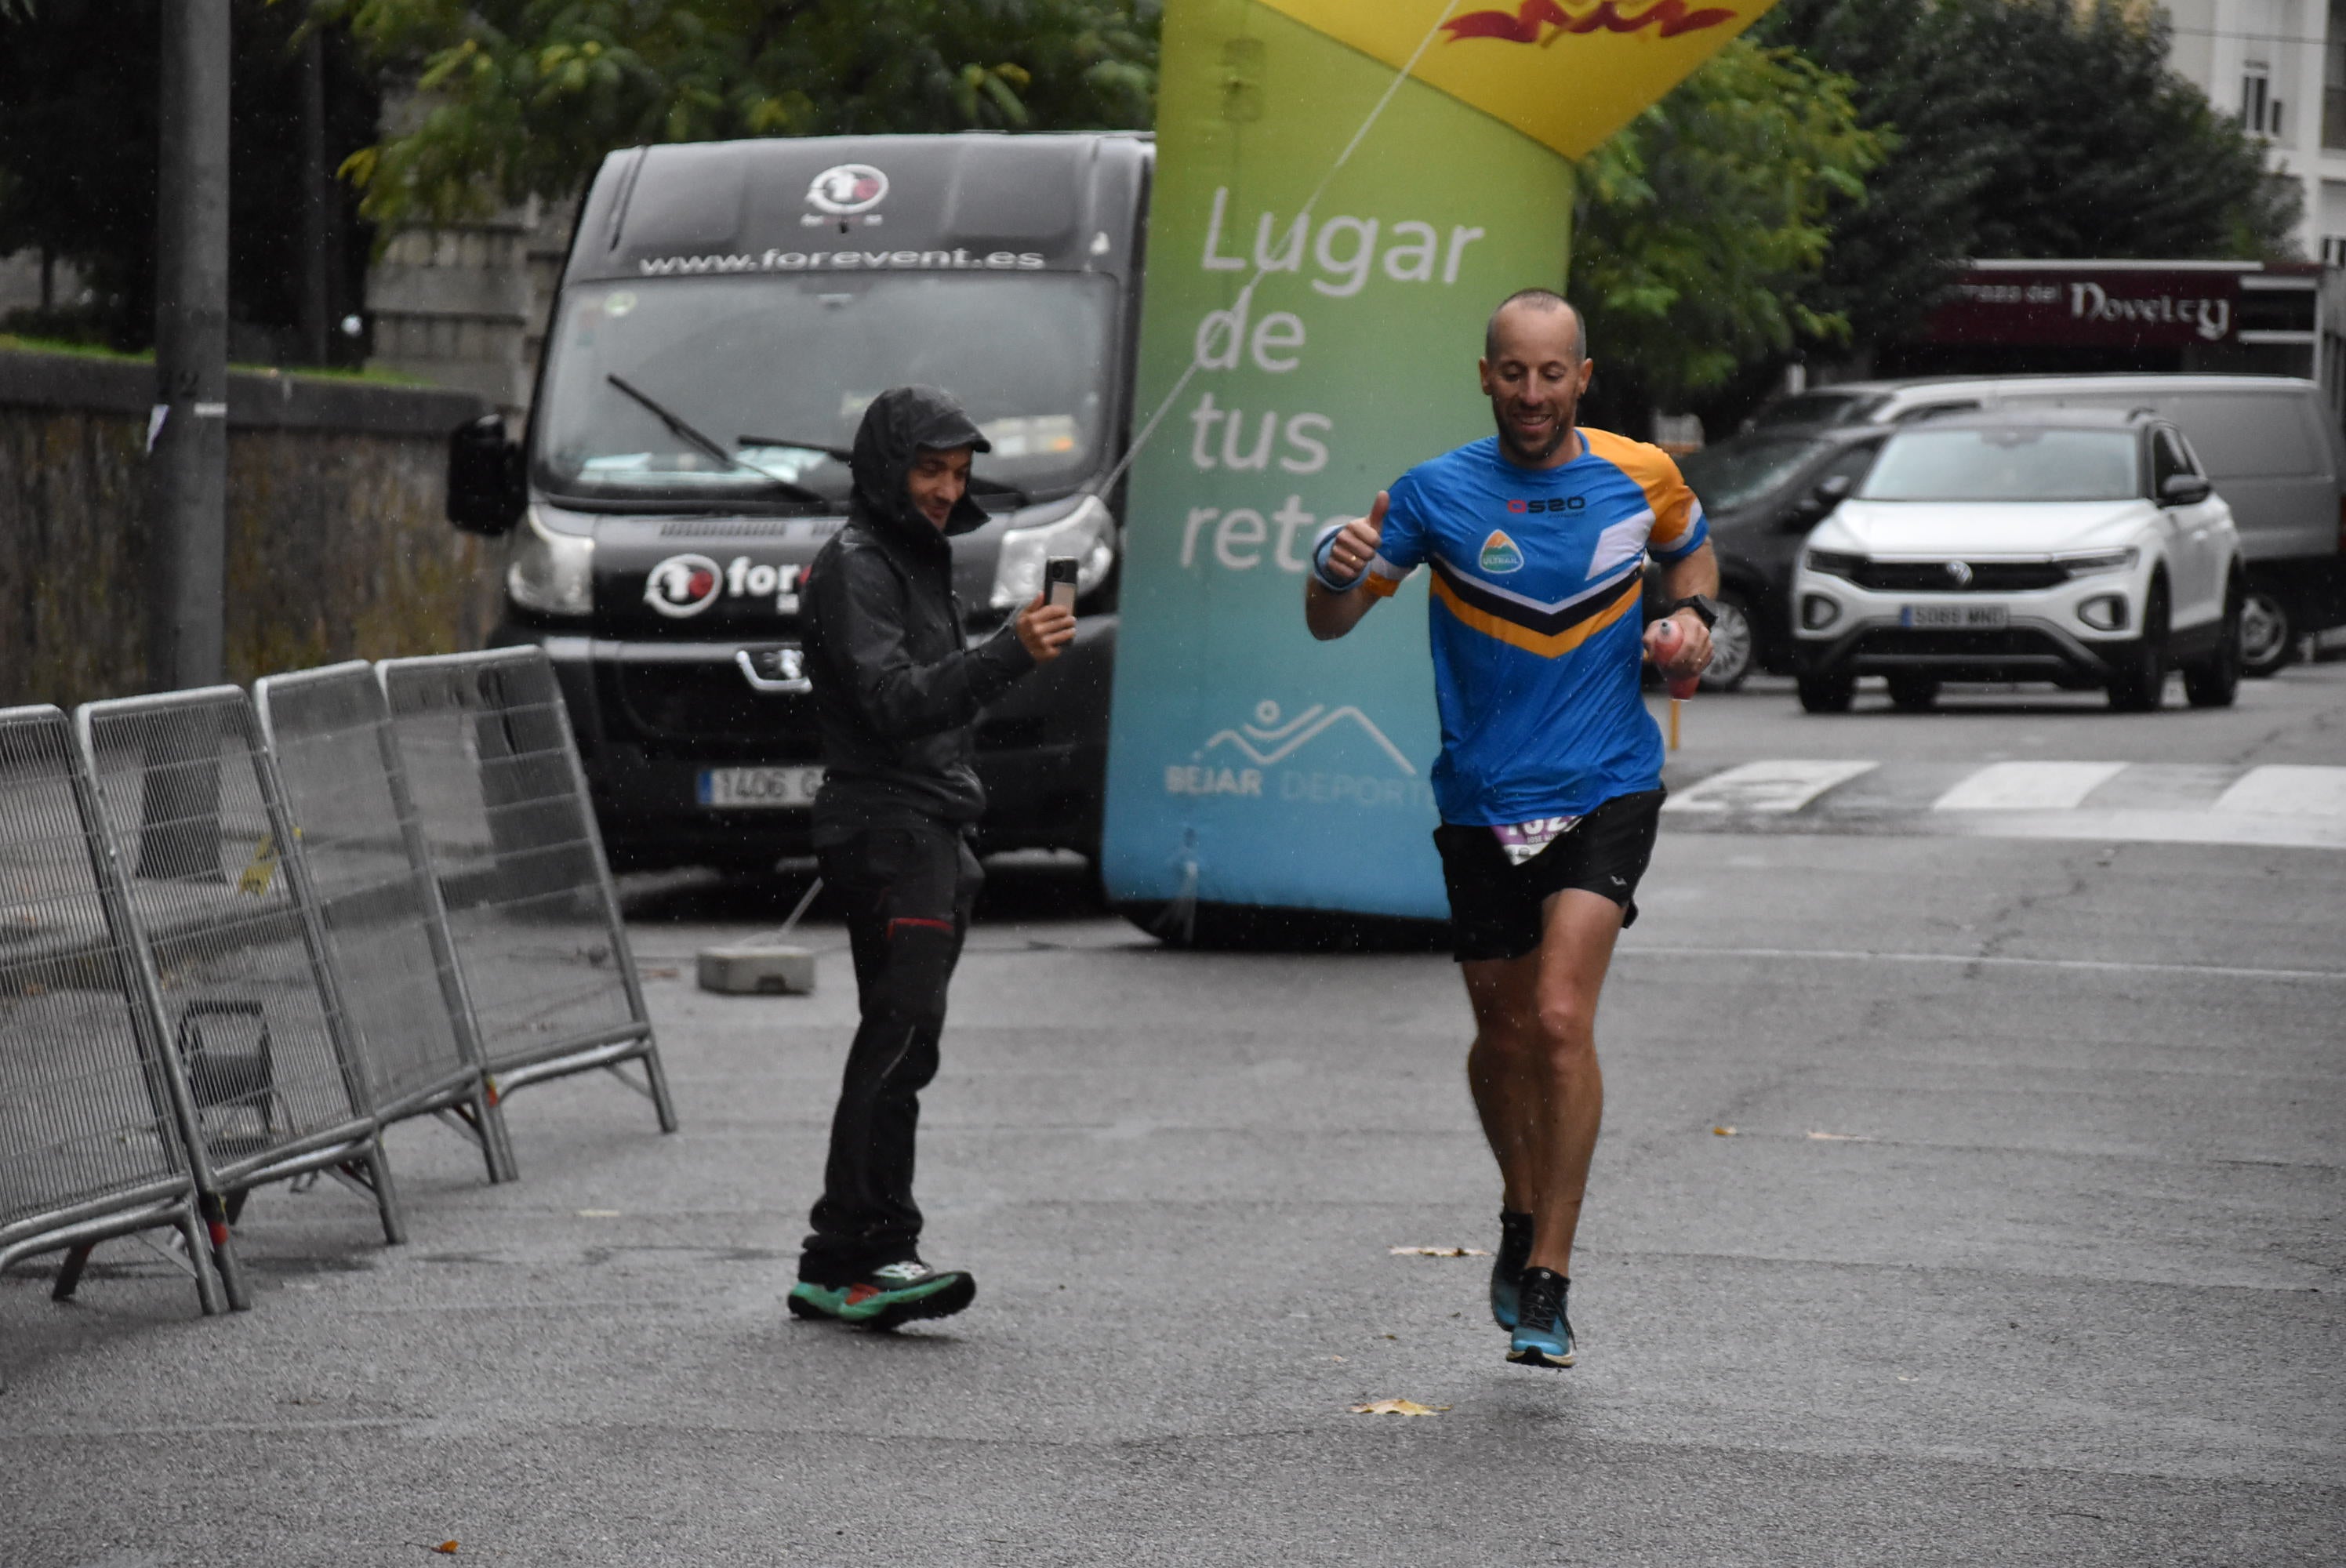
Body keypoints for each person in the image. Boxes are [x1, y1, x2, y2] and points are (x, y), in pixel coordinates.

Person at [1302, 289, 1716, 1368]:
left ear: (1584, 377)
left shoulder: (1641, 475)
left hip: (1608, 784)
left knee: (1561, 1017)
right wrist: (1330, 571)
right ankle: (1518, 1210)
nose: (1533, 395)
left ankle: (1551, 1274)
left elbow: (1694, 553)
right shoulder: (1437, 493)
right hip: (1480, 796)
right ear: (1484, 375)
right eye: (1514, 374)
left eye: (1553, 374)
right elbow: (1332, 621)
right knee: (1503, 1037)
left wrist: (1694, 620)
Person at [786, 385, 1076, 1329]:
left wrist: (997, 666)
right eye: (930, 470)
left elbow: (936, 708)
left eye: (958, 474)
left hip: (929, 826)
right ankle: (852, 1251)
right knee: (898, 1037)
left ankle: (863, 1247)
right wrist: (1009, 653)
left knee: (906, 1038)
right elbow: (894, 703)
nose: (948, 490)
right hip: (887, 828)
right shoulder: (857, 565)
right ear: (885, 468)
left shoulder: (915, 557)